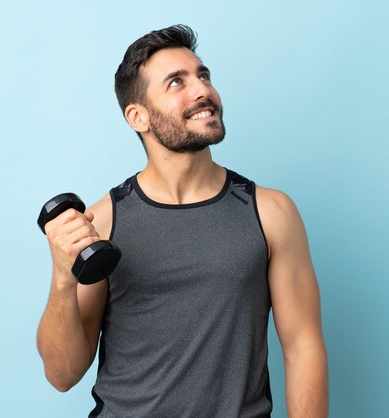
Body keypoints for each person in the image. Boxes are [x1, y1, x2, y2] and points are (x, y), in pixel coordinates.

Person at [36, 24, 329, 418]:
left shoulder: (271, 212)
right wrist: (62, 278)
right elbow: (62, 374)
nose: (202, 90)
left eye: (202, 75)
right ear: (138, 117)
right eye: (177, 82)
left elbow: (303, 348)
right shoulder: (101, 221)